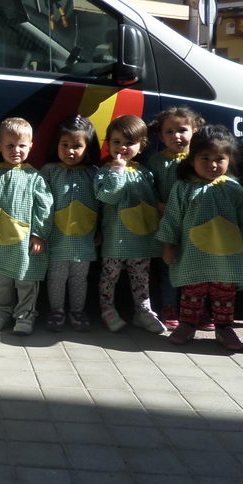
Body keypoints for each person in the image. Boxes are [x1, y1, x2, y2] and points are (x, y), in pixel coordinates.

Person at [157, 126, 243, 351]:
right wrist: (168, 246)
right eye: (205, 158)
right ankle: (187, 324)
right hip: (193, 254)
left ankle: (224, 327)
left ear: (229, 160)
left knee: (224, 294)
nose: (212, 164)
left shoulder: (234, 189)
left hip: (226, 256)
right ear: (192, 160)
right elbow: (172, 219)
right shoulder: (183, 188)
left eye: (220, 158)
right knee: (191, 291)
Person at [95, 115, 166, 334]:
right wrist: (117, 171)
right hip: (116, 237)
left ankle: (143, 311)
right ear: (108, 143)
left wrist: (160, 207)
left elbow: (150, 199)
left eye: (129, 143)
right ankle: (107, 308)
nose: (122, 147)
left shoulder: (145, 173)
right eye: (116, 142)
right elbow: (108, 197)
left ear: (141, 146)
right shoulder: (105, 171)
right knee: (109, 276)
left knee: (141, 278)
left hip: (140, 239)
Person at [0, 117, 52, 335]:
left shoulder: (34, 177)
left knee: (26, 281)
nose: (16, 150)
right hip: (1, 241)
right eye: (10, 145)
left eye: (22, 145)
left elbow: (45, 206)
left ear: (31, 146)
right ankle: (0, 312)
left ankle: (25, 315)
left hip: (26, 244)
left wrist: (39, 234)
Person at [39, 115, 100, 332]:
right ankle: (56, 311)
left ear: (88, 147)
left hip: (84, 239)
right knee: (56, 276)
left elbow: (101, 204)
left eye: (77, 146)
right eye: (64, 145)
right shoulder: (49, 171)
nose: (70, 151)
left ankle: (77, 311)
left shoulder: (94, 173)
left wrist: (100, 229)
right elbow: (40, 203)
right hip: (56, 237)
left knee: (79, 277)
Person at [146, 107, 205, 329]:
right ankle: (169, 306)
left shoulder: (199, 160)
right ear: (161, 136)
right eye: (169, 132)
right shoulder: (156, 162)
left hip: (194, 221)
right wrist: (157, 204)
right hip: (165, 222)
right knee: (167, 264)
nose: (176, 136)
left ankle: (196, 308)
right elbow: (148, 188)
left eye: (182, 130)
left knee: (194, 263)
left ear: (195, 130)